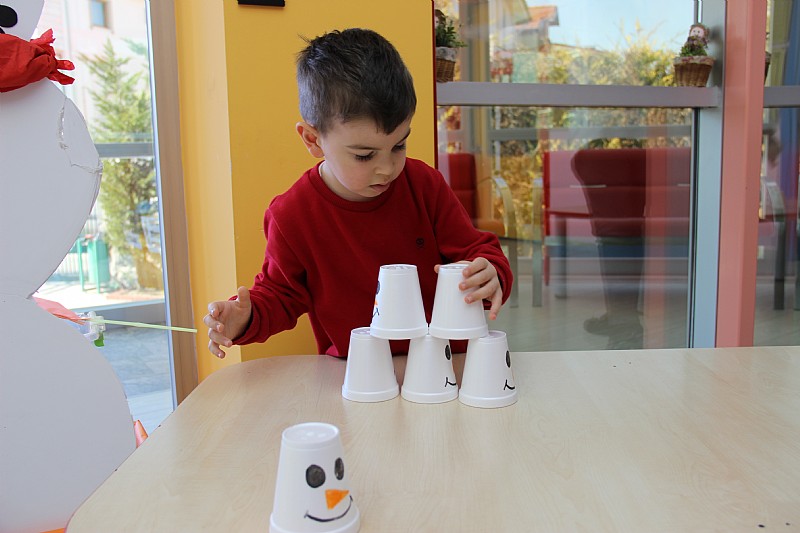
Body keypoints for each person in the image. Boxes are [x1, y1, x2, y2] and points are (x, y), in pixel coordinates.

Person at [204, 28, 513, 359]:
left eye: (399, 145)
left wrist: (490, 273)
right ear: (312, 140)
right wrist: (244, 318)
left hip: (445, 363)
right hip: (359, 371)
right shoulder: (291, 215)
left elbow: (477, 250)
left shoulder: (425, 184)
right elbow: (280, 294)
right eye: (364, 155)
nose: (387, 168)